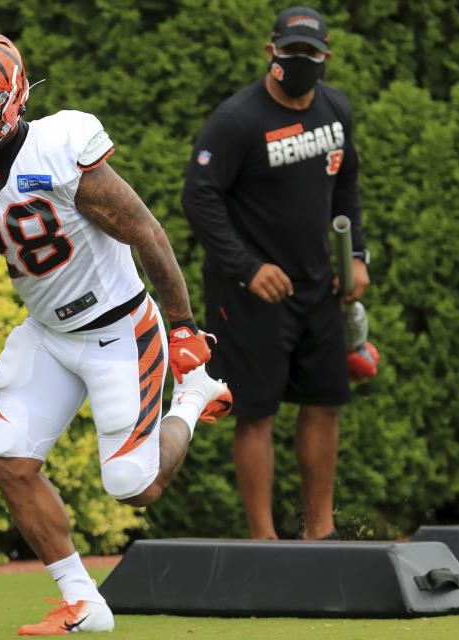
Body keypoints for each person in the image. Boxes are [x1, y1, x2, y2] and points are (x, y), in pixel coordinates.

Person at [0, 31, 233, 635]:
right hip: (47, 333)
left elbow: (147, 232)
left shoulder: (59, 147)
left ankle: (194, 397)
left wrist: (185, 327)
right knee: (9, 462)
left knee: (134, 488)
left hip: (118, 328)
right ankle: (85, 601)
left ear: (9, 102)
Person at [180, 6, 370, 541]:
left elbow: (347, 187)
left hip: (319, 287)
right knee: (256, 412)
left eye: (311, 54)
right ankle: (264, 541)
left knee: (325, 403)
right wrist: (246, 267)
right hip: (251, 293)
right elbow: (199, 197)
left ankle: (320, 533)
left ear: (325, 57)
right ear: (272, 52)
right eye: (290, 52)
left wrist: (355, 256)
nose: (300, 61)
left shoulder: (336, 109)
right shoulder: (237, 120)